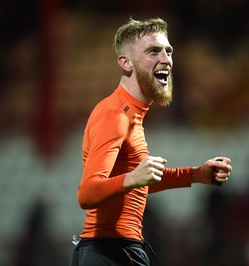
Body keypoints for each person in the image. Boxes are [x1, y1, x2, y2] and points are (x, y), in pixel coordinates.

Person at [70, 17, 233, 266]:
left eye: (168, 51)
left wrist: (196, 175)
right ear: (126, 63)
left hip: (115, 250)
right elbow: (86, 193)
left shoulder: (131, 114)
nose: (166, 59)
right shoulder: (116, 116)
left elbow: (136, 185)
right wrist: (133, 178)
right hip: (110, 252)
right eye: (153, 51)